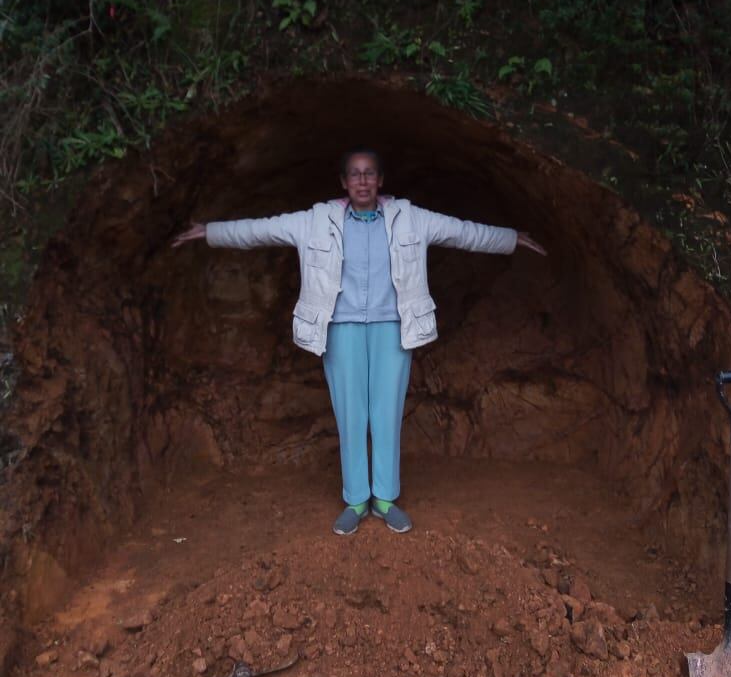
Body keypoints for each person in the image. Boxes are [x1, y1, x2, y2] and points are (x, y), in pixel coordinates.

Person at [172, 148, 546, 536]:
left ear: (381, 181)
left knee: (386, 413)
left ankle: (385, 499)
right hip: (340, 327)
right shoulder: (315, 221)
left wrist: (511, 238)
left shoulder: (410, 218)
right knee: (351, 415)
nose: (363, 181)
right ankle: (355, 500)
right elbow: (259, 230)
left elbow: (463, 232)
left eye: (369, 174)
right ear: (344, 182)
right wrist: (209, 232)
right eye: (355, 174)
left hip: (392, 326)